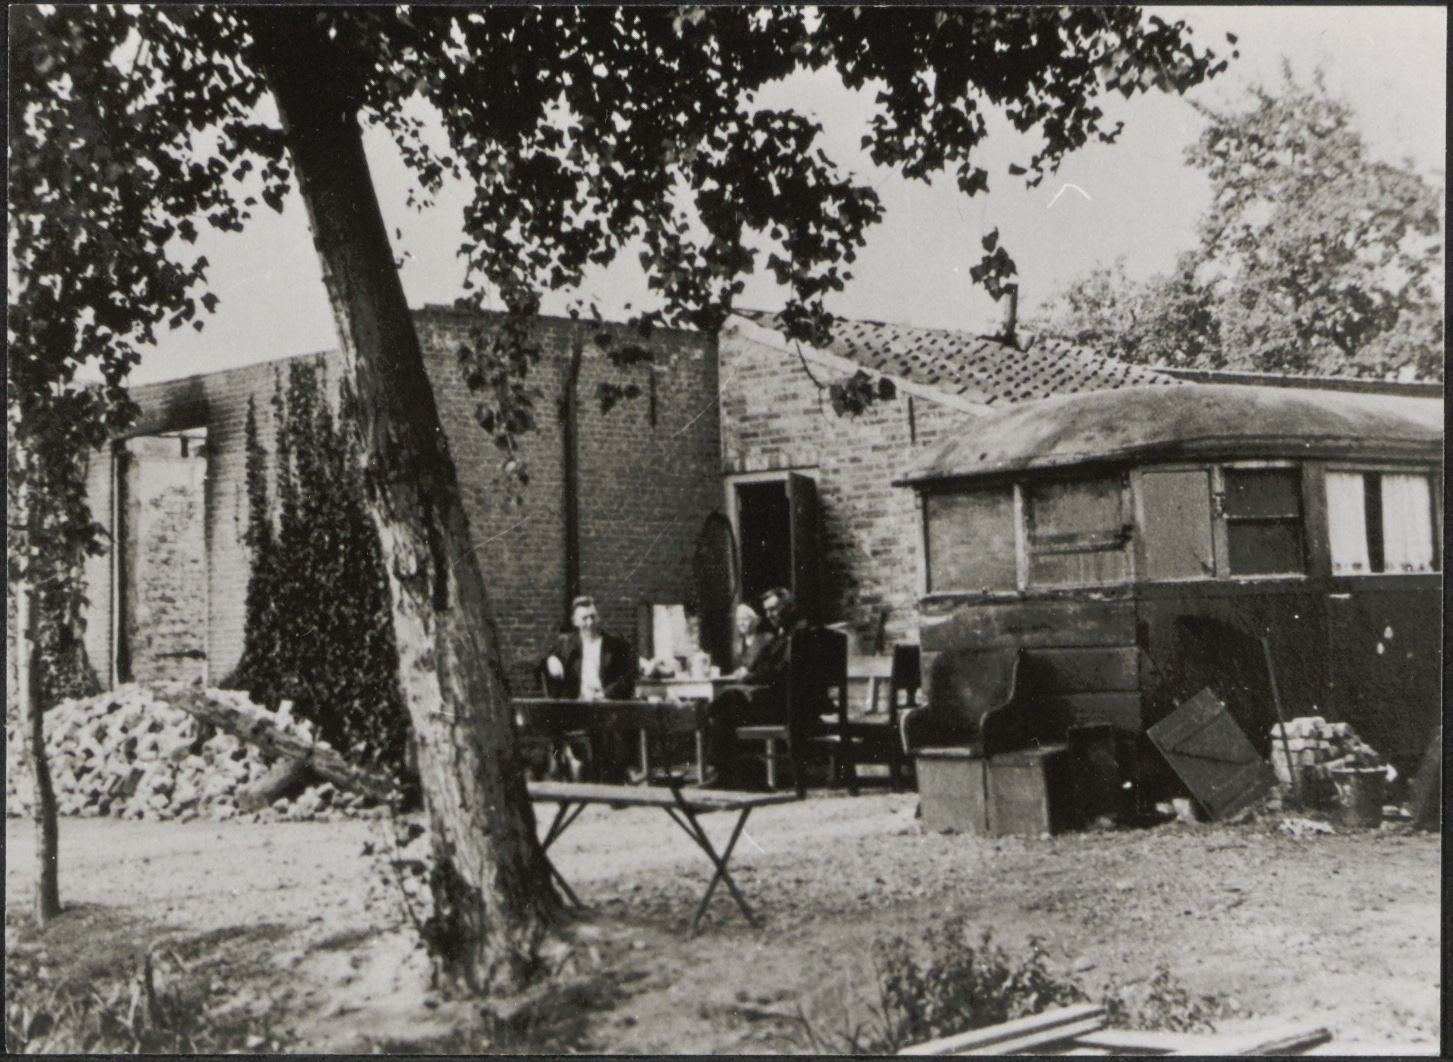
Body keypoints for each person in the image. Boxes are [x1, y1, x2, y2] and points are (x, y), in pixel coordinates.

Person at [706, 587, 811, 786]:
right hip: (786, 701)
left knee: (725, 703)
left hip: (786, 705)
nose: (770, 615)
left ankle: (725, 772)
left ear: (789, 607)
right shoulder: (785, 635)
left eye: (774, 609)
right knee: (725, 703)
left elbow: (778, 673)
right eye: (767, 610)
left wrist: (750, 678)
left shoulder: (796, 636)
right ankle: (732, 769)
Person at [539, 596, 636, 782]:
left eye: (593, 617)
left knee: (611, 732)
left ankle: (610, 779)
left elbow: (627, 677)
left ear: (598, 617)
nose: (590, 623)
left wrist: (605, 693)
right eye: (584, 618)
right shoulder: (567, 645)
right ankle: (580, 772)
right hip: (578, 708)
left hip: (606, 705)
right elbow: (543, 660)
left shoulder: (615, 646)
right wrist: (551, 660)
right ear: (575, 621)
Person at [730, 602, 772, 678]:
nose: (740, 623)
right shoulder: (737, 643)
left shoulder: (766, 639)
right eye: (738, 619)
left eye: (744, 619)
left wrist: (748, 675)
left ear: (757, 620)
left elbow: (768, 671)